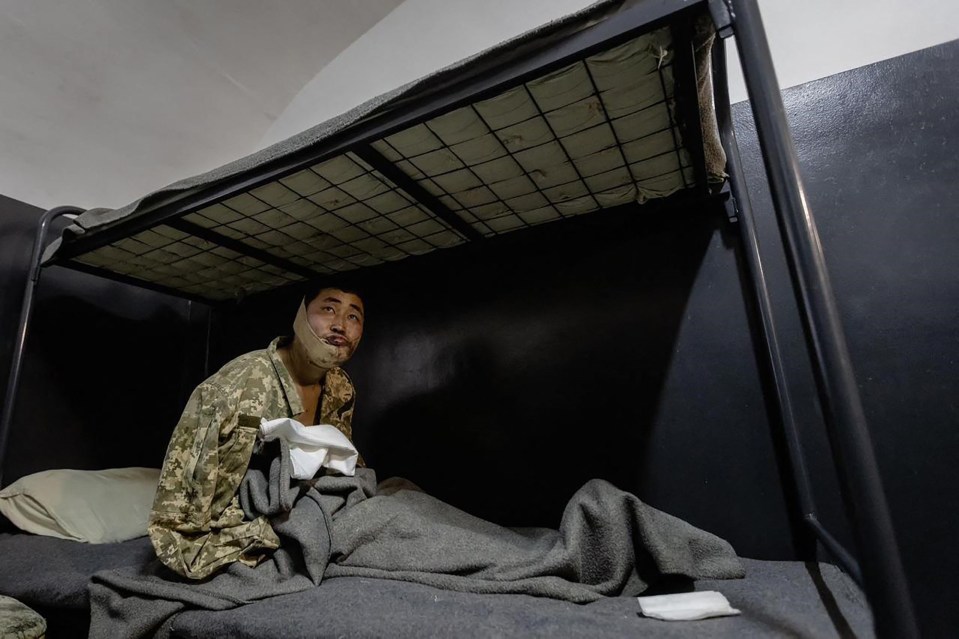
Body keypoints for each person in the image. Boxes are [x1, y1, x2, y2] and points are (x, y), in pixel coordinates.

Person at [148, 283, 365, 579]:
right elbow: (177, 525)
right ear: (301, 314)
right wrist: (267, 532)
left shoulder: (340, 388)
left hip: (311, 509)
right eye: (328, 309)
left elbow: (339, 468)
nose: (340, 325)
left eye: (353, 317)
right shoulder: (231, 389)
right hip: (246, 524)